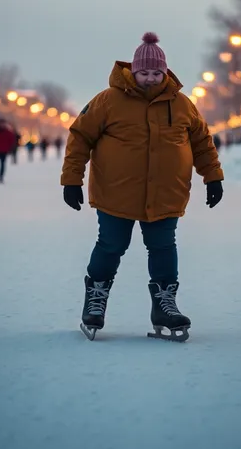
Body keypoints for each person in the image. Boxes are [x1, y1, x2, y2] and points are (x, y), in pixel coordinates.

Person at [60, 32, 224, 341]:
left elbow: (201, 141)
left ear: (165, 72)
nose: (150, 78)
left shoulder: (182, 104)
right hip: (116, 193)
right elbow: (80, 137)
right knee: (111, 245)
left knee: (163, 247)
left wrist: (212, 176)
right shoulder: (107, 100)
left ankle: (165, 305)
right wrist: (72, 179)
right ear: (132, 71)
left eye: (156, 73)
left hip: (165, 194)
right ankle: (95, 301)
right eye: (144, 72)